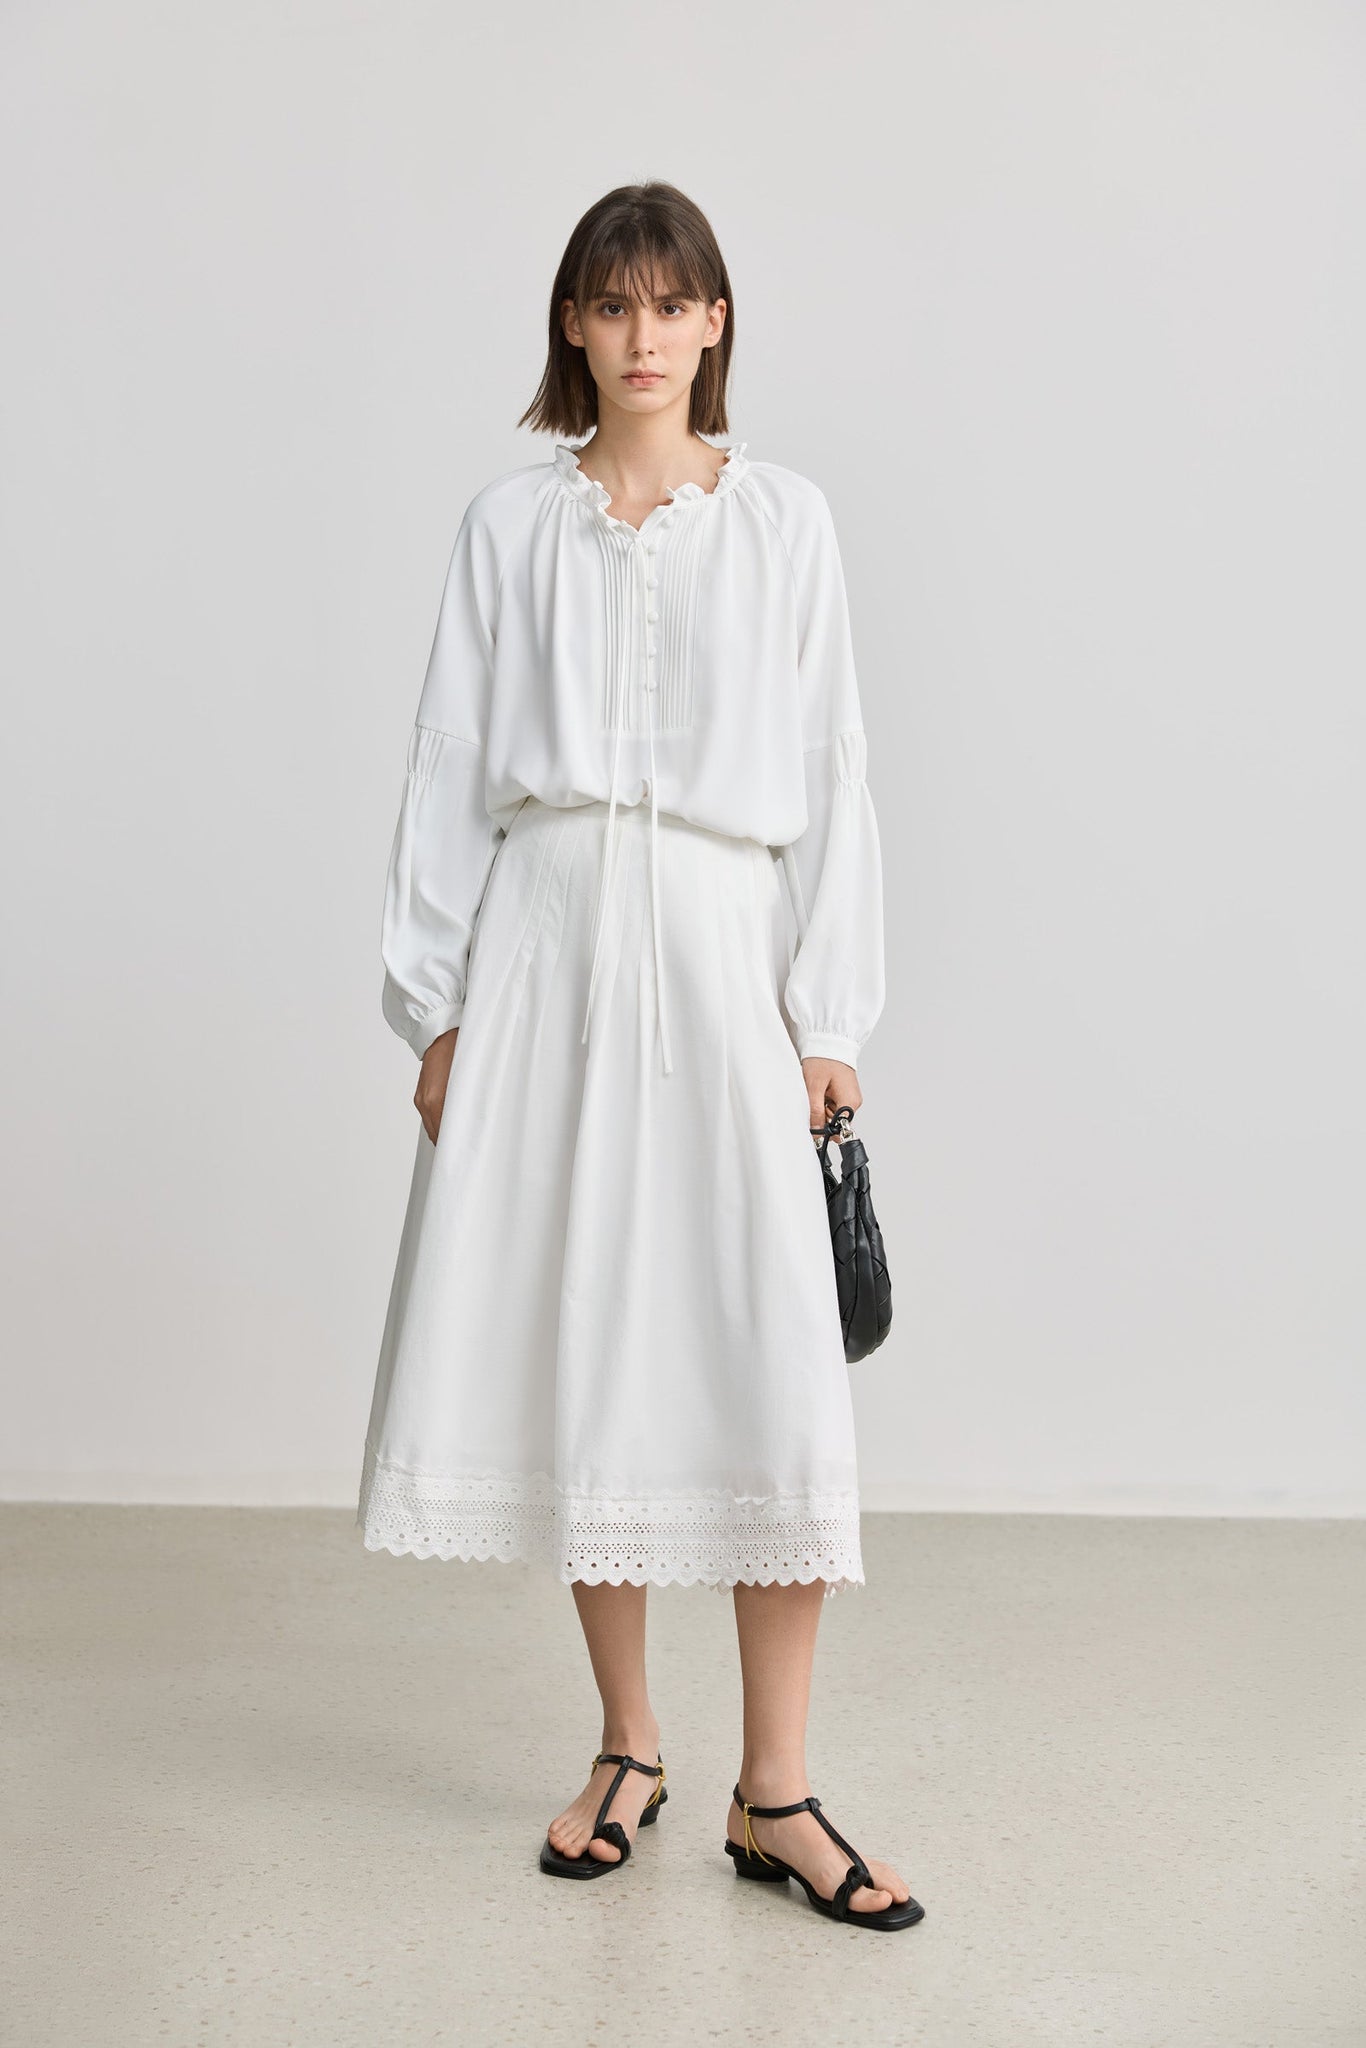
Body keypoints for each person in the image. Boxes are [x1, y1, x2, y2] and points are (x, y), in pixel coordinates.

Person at [356, 180, 923, 1931]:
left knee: (764, 1362)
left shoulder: (785, 523)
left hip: (722, 954)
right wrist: (437, 1004)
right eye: (610, 306)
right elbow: (448, 759)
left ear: (716, 322)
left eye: (672, 305)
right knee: (593, 1339)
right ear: (572, 328)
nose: (642, 338)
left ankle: (779, 1790)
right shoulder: (507, 527)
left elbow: (830, 768)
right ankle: (628, 1742)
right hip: (546, 956)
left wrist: (827, 1019)